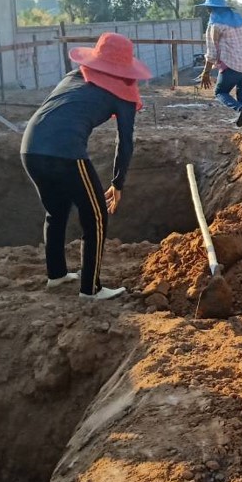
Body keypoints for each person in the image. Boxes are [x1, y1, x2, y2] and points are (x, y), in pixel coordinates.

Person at [20, 32, 151, 300]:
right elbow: (124, 141)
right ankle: (91, 289)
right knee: (97, 216)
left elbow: (59, 110)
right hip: (65, 152)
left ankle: (56, 275)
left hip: (30, 147)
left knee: (55, 212)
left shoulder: (74, 75)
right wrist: (118, 183)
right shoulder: (124, 93)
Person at [197, 0, 242, 132]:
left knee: (220, 92)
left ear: (210, 8)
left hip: (233, 64)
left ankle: (240, 108)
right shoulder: (239, 18)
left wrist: (205, 72)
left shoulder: (215, 25)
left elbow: (212, 52)